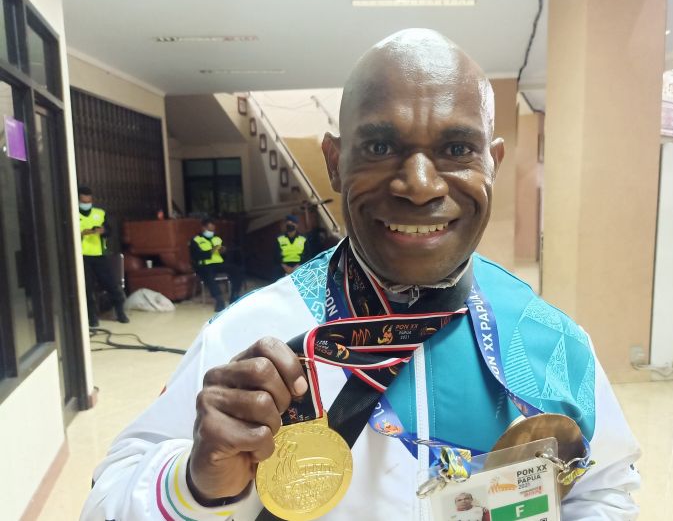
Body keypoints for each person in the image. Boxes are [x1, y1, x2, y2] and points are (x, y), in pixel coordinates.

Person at [82, 29, 640, 520]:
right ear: (334, 161)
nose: (419, 185)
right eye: (379, 146)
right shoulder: (247, 337)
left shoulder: (551, 341)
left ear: (492, 162)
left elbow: (605, 490)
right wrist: (194, 486)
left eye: (456, 148)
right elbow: (106, 502)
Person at [77, 186, 128, 327]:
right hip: (82, 257)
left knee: (111, 284)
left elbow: (109, 231)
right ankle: (92, 317)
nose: (86, 204)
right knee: (87, 288)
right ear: (78, 200)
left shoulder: (99, 213)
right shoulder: (74, 214)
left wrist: (102, 231)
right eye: (83, 201)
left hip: (99, 255)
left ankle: (120, 312)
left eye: (89, 201)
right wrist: (82, 233)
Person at [190, 218, 243, 312]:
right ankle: (219, 300)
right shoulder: (196, 240)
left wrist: (223, 252)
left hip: (219, 264)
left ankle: (234, 296)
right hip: (205, 265)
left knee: (237, 270)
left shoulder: (217, 238)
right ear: (203, 228)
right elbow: (196, 256)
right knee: (209, 276)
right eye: (209, 229)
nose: (211, 232)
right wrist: (211, 251)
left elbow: (224, 256)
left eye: (213, 230)